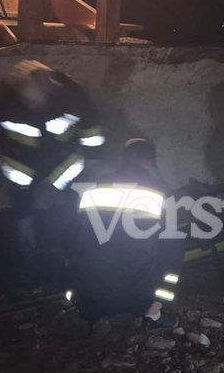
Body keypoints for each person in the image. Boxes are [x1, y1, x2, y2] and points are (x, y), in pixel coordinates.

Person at [0, 59, 104, 285]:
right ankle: (29, 256)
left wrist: (94, 159)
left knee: (78, 203)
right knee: (22, 207)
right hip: (22, 167)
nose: (35, 107)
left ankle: (78, 248)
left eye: (39, 101)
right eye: (29, 101)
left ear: (51, 90)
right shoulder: (0, 100)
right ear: (18, 92)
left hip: (64, 164)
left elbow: (90, 126)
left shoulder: (70, 94)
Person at [69, 138, 183, 331]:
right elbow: (172, 250)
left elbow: (71, 237)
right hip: (137, 297)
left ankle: (89, 311)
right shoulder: (161, 192)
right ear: (151, 162)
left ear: (123, 160)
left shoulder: (94, 188)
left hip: (89, 296)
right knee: (175, 249)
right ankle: (153, 313)